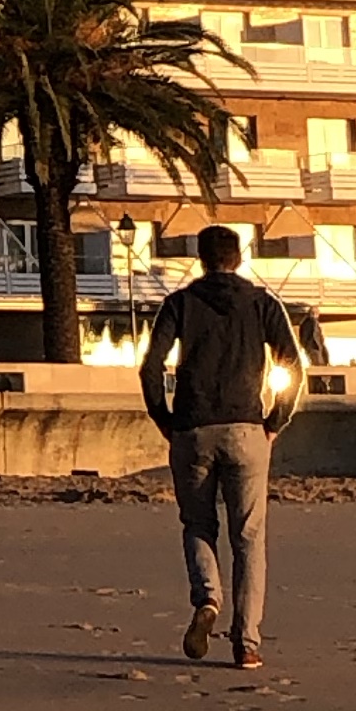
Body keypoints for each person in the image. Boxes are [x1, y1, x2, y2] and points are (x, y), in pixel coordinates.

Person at [139, 227, 307, 667]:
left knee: (198, 524)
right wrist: (276, 420)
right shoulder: (263, 303)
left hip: (192, 428)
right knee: (248, 537)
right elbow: (294, 366)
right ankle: (247, 642)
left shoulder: (179, 303)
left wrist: (163, 418)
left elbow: (151, 367)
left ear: (201, 259)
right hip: (247, 428)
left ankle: (208, 599)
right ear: (239, 257)